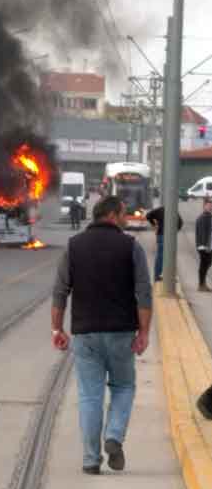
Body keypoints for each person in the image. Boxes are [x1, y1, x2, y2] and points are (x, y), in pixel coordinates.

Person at [51, 196, 152, 475]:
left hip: (85, 334)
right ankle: (114, 436)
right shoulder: (131, 247)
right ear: (111, 215)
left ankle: (90, 459)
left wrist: (57, 329)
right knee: (124, 387)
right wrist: (144, 332)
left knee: (89, 396)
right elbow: (143, 293)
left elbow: (60, 292)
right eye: (123, 214)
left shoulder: (74, 246)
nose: (126, 218)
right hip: (121, 333)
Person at [146, 205, 183, 282]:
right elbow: (180, 223)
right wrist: (174, 231)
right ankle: (168, 276)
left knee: (160, 256)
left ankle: (157, 277)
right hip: (169, 237)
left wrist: (154, 225)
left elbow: (148, 215)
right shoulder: (173, 210)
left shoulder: (159, 209)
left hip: (160, 235)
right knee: (169, 257)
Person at [195, 198, 212, 292]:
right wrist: (203, 247)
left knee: (206, 264)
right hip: (203, 247)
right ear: (204, 206)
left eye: (211, 205)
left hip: (208, 246)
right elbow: (201, 234)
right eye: (208, 205)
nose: (210, 207)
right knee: (204, 265)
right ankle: (201, 285)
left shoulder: (209, 216)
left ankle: (203, 284)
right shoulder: (202, 218)